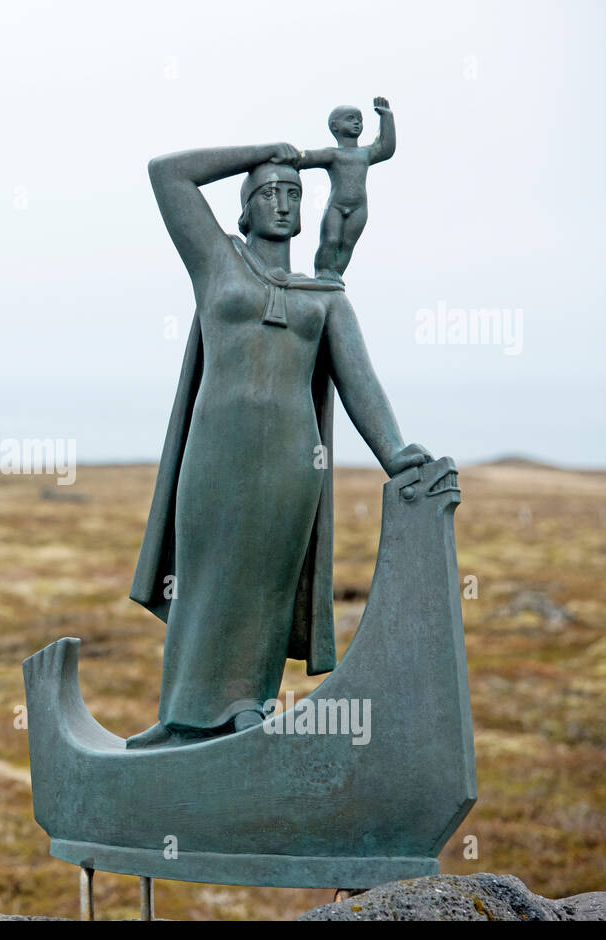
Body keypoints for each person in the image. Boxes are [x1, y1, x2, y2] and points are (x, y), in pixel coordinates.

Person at [125, 141, 429, 750]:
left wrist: (395, 455)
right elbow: (167, 174)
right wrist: (263, 151)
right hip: (213, 451)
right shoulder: (217, 262)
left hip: (293, 460)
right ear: (245, 207)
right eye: (269, 192)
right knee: (203, 574)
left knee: (265, 580)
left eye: (294, 193)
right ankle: (181, 712)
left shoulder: (324, 294)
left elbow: (359, 383)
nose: (284, 203)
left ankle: (247, 704)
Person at [296, 97, 395, 278]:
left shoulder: (365, 153)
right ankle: (322, 275)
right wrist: (285, 156)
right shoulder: (332, 154)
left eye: (359, 119)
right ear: (335, 126)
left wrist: (386, 117)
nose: (357, 122)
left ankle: (336, 276)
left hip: (359, 207)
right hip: (336, 205)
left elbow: (386, 148)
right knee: (331, 240)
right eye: (350, 119)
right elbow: (303, 158)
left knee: (348, 243)